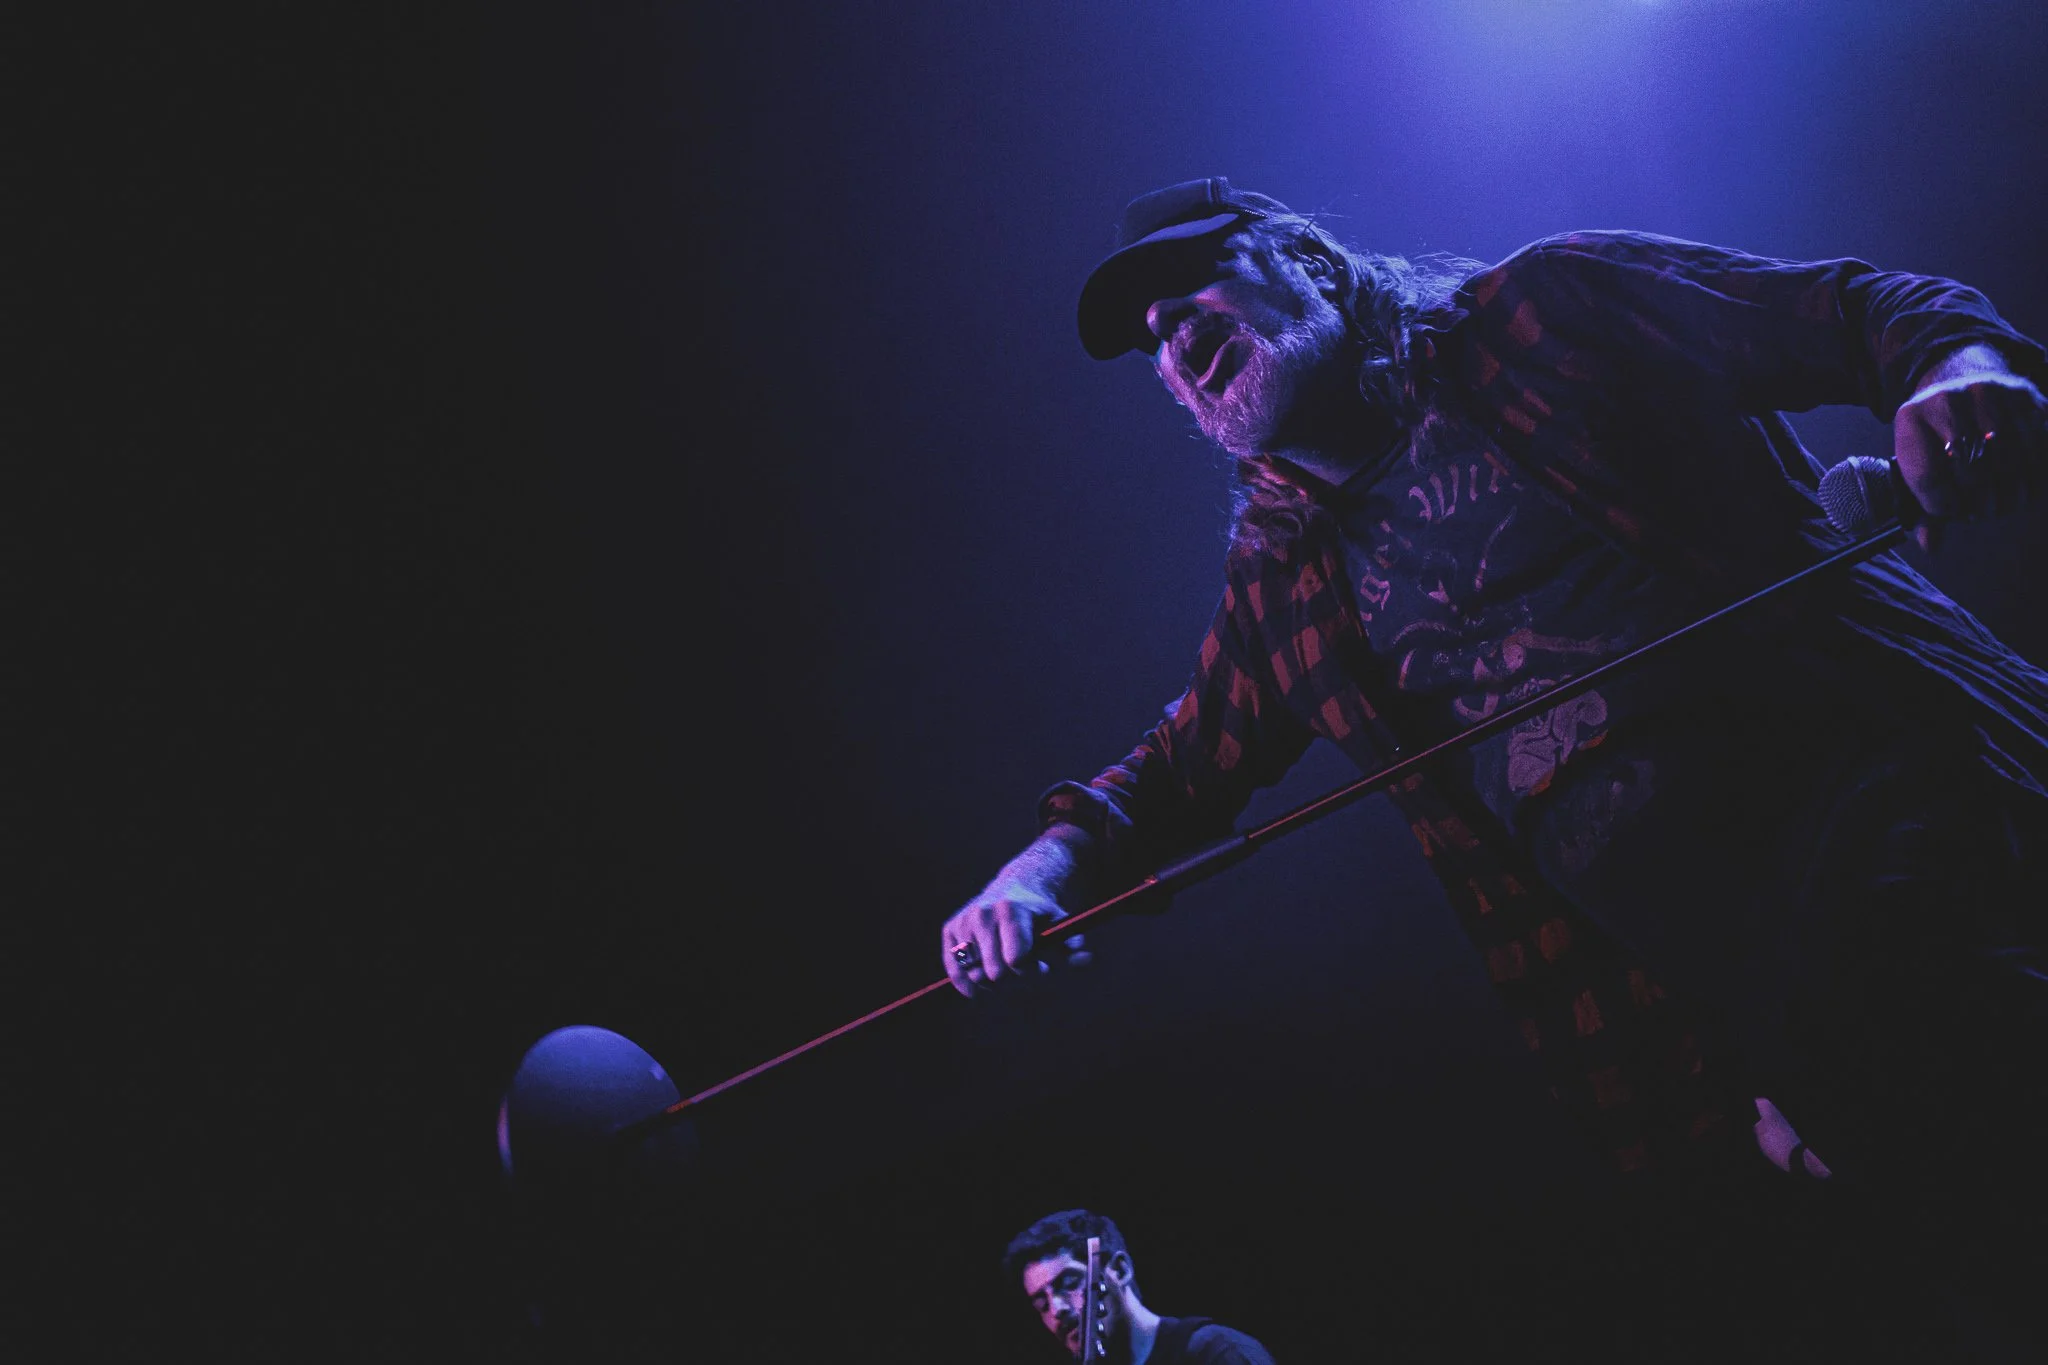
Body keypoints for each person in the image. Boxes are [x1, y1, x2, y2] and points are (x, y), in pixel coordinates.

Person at [939, 178, 2048, 1353]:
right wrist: (1033, 876)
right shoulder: (1280, 586)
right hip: (1747, 988)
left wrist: (1956, 370)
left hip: (1899, 808)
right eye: (1151, 339)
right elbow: (1173, 771)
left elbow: (1850, 308)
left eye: (1190, 288)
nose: (1172, 336)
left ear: (1306, 260)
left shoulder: (1541, 314)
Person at [1006, 1208, 1277, 1365]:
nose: (1057, 1309)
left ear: (1119, 1270)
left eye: (1069, 1283)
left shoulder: (1217, 1353)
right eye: (1042, 1304)